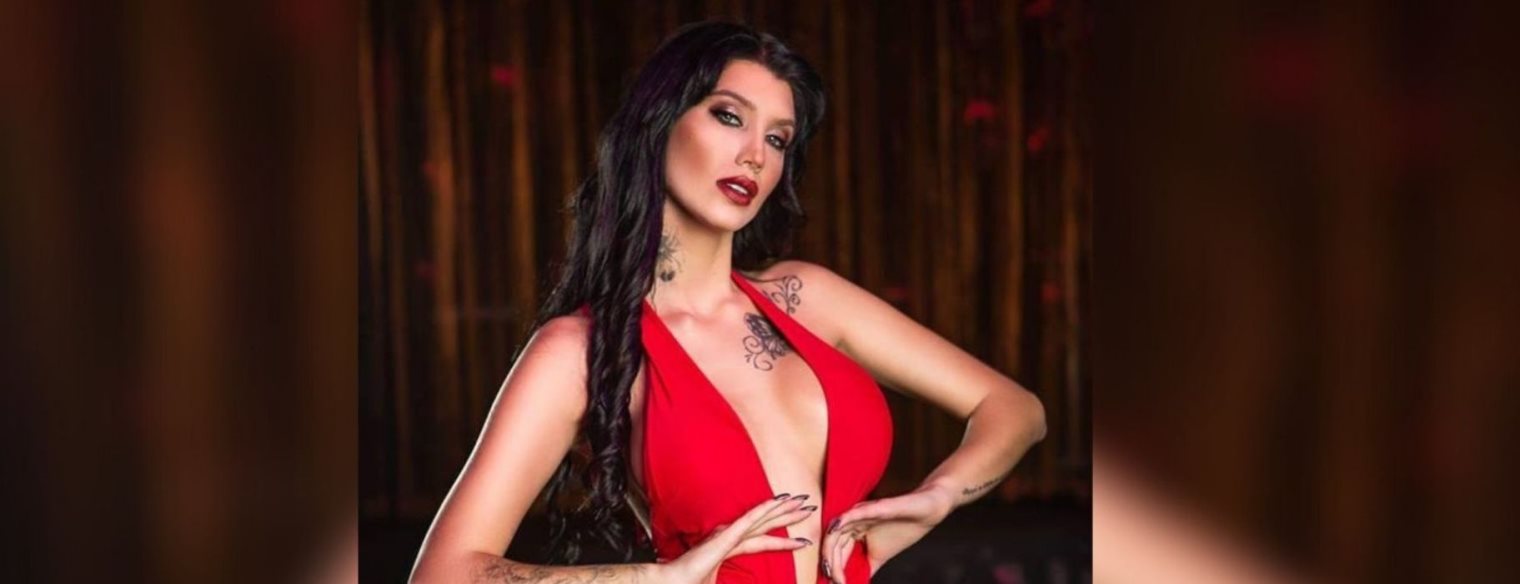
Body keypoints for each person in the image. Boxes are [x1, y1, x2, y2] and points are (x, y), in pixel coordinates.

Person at [409, 21, 1046, 584]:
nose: (755, 156)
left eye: (779, 139)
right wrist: (654, 579)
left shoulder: (807, 299)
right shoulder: (578, 350)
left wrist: (937, 498)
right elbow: (443, 573)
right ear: (660, 121)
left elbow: (1016, 410)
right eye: (730, 116)